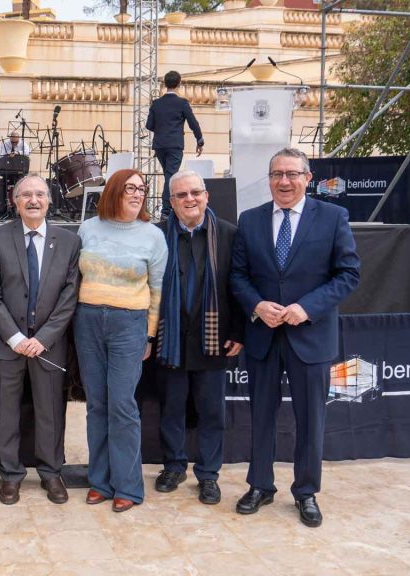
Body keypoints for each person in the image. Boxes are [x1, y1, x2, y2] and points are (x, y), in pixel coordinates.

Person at [230, 147, 360, 528]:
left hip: (311, 337)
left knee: (310, 419)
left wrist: (308, 307)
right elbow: (238, 276)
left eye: (291, 174)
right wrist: (256, 306)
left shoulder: (333, 217)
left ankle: (306, 492)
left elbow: (348, 274)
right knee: (261, 417)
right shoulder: (250, 220)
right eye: (276, 174)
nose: (283, 181)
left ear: (308, 177)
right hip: (263, 337)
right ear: (268, 179)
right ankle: (260, 485)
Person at [74, 168, 167, 513]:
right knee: (96, 404)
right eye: (130, 188)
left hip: (130, 323)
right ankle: (100, 481)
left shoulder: (153, 235)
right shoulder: (89, 228)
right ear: (113, 190)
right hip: (88, 321)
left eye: (142, 189)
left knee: (122, 405)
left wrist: (149, 334)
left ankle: (128, 486)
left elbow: (157, 289)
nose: (137, 194)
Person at [0, 174, 80, 505]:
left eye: (40, 194)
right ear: (15, 200)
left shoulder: (68, 241)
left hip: (49, 346)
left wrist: (43, 337)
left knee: (50, 413)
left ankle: (52, 473)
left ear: (50, 200)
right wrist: (14, 337)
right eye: (26, 195)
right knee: (6, 413)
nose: (34, 200)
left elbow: (70, 296)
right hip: (6, 345)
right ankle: (10, 475)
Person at [154, 170, 244, 504]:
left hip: (214, 338)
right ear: (171, 202)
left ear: (206, 195)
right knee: (171, 409)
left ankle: (208, 475)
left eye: (195, 193)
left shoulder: (230, 236)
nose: (190, 200)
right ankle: (174, 466)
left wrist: (238, 331)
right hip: (171, 339)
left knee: (212, 413)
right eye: (182, 195)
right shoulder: (157, 236)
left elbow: (238, 288)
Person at [146, 71, 204, 219]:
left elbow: (149, 125)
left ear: (165, 84)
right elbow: (193, 123)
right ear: (179, 84)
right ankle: (166, 211)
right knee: (170, 176)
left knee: (169, 175)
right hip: (175, 145)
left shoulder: (156, 104)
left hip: (159, 145)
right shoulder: (182, 103)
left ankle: (168, 208)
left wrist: (162, 130)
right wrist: (199, 140)